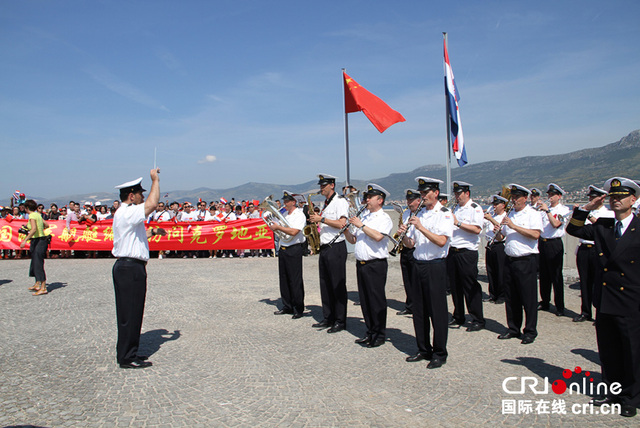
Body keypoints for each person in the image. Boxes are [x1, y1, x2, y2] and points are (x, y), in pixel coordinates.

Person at [566, 177, 640, 418]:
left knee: (631, 350)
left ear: (634, 199)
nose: (616, 200)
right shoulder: (603, 226)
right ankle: (612, 390)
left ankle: (631, 396)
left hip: (631, 299)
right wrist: (587, 207)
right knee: (608, 350)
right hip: (606, 297)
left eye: (621, 196)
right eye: (613, 196)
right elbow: (573, 229)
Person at [111, 170, 167, 369]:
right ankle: (126, 357)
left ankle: (131, 351)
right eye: (140, 194)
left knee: (134, 312)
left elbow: (136, 237)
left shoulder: (126, 214)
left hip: (131, 267)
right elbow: (152, 204)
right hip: (129, 268)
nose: (143, 197)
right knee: (129, 313)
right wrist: (155, 180)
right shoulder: (127, 211)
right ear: (131, 195)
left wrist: (154, 231)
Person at [399, 177, 453, 369]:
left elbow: (441, 241)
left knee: (437, 311)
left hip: (435, 265)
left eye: (425, 193)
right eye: (421, 194)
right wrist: (404, 234)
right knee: (419, 311)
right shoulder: (420, 212)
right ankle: (423, 348)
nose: (422, 197)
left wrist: (421, 227)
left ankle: (439, 352)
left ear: (435, 193)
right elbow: (411, 244)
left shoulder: (445, 214)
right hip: (418, 264)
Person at [345, 184, 393, 348]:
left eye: (369, 197)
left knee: (376, 300)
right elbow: (354, 240)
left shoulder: (384, 218)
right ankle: (370, 331)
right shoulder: (364, 216)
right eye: (366, 197)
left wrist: (361, 226)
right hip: (362, 264)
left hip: (375, 265)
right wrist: (346, 231)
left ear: (380, 200)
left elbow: (378, 236)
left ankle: (379, 334)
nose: (366, 200)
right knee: (365, 300)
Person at [495, 184, 543, 345]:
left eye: (516, 197)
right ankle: (513, 328)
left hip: (526, 260)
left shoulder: (532, 214)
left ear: (525, 198)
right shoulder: (510, 214)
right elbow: (503, 237)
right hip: (510, 258)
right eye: (512, 197)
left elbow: (535, 234)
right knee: (511, 296)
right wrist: (499, 231)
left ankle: (530, 330)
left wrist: (514, 226)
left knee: (528, 297)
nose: (513, 200)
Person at [308, 173, 350, 334]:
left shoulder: (340, 202)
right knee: (325, 284)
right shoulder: (326, 203)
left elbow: (342, 224)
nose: (321, 188)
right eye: (320, 186)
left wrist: (321, 220)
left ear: (332, 185)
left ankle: (340, 320)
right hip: (325, 247)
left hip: (336, 247)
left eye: (323, 185)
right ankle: (328, 317)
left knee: (337, 284)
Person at [447, 181, 486, 331]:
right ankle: (458, 315)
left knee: (470, 286)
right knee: (455, 286)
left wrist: (458, 223)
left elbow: (477, 229)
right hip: (454, 250)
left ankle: (477, 319)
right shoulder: (455, 208)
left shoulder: (475, 209)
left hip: (467, 252)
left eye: (459, 193)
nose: (457, 196)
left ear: (467, 193)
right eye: (455, 193)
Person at [572, 185, 613, 322]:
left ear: (601, 199)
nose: (591, 200)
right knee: (585, 282)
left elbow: (600, 229)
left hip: (598, 250)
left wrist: (588, 215)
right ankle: (585, 312)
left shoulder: (608, 214)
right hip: (584, 248)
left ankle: (600, 313)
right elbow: (576, 228)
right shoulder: (586, 213)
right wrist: (578, 213)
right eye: (590, 198)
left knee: (599, 282)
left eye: (594, 198)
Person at [269, 191, 307, 319]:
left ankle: (298, 308)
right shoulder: (284, 213)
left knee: (295, 279)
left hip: (294, 248)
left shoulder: (299, 215)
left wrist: (278, 228)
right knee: (284, 278)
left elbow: (294, 231)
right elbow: (273, 223)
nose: (284, 203)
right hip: (284, 248)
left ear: (293, 202)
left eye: (286, 201)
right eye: (284, 201)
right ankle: (287, 305)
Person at [536, 183, 571, 316]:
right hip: (543, 242)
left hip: (554, 243)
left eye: (552, 195)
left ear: (559, 196)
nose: (550, 197)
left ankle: (560, 306)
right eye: (549, 194)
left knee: (556, 275)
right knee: (544, 275)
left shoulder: (563, 209)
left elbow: (556, 224)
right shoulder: (544, 209)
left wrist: (547, 211)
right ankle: (545, 301)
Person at [397, 189, 423, 316]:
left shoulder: (422, 214)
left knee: (416, 280)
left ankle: (418, 305)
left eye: (411, 200)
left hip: (416, 249)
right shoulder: (406, 213)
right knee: (407, 279)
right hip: (406, 249)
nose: (409, 202)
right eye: (408, 200)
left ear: (419, 201)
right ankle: (410, 305)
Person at [20, 199, 50, 296]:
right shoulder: (38, 214)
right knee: (34, 262)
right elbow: (46, 225)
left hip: (38, 240)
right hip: (38, 240)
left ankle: (43, 287)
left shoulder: (32, 215)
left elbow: (33, 229)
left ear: (27, 208)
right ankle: (37, 283)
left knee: (38, 263)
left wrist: (25, 240)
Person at [483, 194, 509, 304]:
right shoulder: (492, 215)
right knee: (491, 270)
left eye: (496, 204)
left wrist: (491, 219)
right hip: (490, 244)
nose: (494, 206)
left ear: (503, 205)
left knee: (500, 271)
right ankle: (493, 294)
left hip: (500, 245)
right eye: (494, 204)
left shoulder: (506, 216)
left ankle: (502, 295)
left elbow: (501, 228)